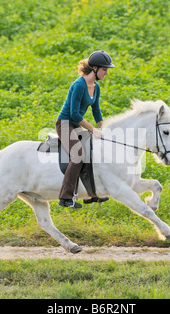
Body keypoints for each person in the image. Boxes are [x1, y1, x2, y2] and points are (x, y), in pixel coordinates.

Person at [56, 50, 115, 208]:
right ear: (95, 69)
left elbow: (96, 110)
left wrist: (103, 126)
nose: (107, 73)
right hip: (65, 124)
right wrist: (92, 129)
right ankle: (66, 197)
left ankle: (91, 194)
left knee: (92, 150)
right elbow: (74, 114)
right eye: (105, 69)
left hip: (76, 124)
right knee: (79, 154)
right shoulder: (79, 85)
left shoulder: (96, 87)